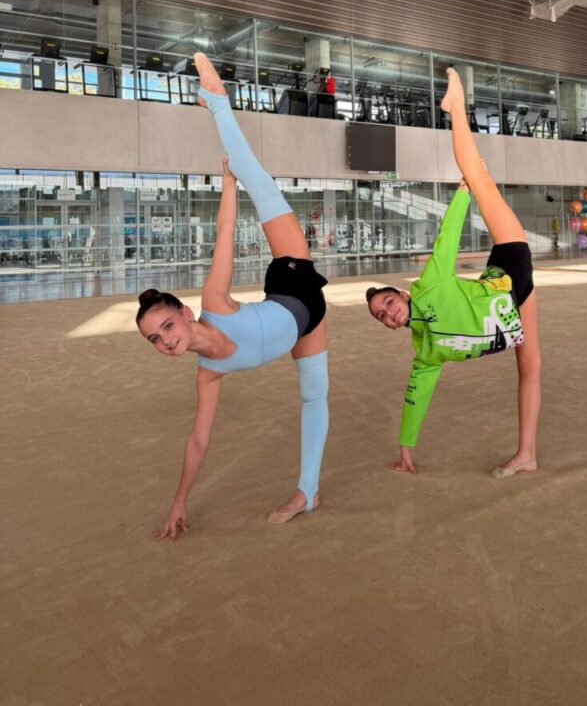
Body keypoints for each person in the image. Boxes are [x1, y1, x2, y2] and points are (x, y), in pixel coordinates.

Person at [136, 52, 329, 536]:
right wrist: (179, 501)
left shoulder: (213, 305)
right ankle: (310, 490)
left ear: (182, 313)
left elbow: (225, 236)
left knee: (255, 178)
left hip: (293, 280)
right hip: (308, 320)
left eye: (166, 326)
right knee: (314, 396)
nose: (166, 340)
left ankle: (217, 101)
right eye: (156, 340)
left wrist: (227, 184)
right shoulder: (208, 374)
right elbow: (198, 442)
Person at [366, 68, 542, 478]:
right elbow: (416, 396)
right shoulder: (425, 352)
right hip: (511, 308)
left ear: (404, 296)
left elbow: (445, 242)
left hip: (510, 268)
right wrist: (406, 448)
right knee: (530, 368)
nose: (388, 312)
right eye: (382, 316)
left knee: (478, 177)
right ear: (391, 326)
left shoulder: (428, 288)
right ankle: (527, 454)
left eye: (388, 302)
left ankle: (457, 108)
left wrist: (463, 193)